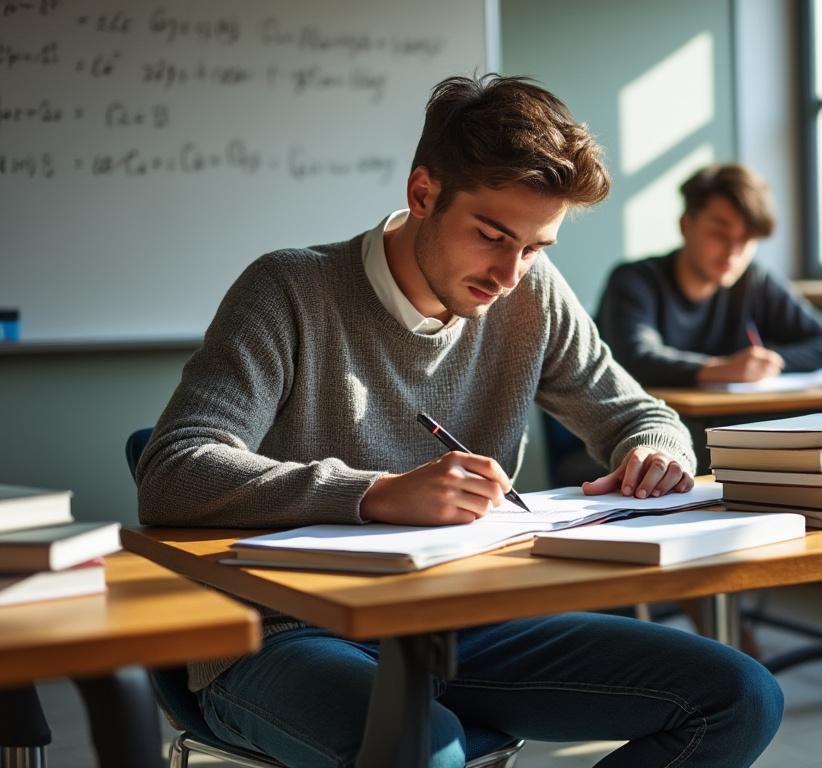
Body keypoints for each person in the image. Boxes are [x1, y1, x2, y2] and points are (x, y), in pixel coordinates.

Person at [135, 74, 783, 768]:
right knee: (423, 751)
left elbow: (638, 413)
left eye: (535, 248)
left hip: (461, 621)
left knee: (739, 697)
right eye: (492, 236)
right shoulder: (289, 290)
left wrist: (656, 450)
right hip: (287, 631)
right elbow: (172, 470)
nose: (509, 274)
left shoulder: (530, 294)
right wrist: (377, 493)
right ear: (423, 194)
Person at [597, 163, 822, 387]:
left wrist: (765, 364)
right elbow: (635, 357)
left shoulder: (755, 282)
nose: (733, 252)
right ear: (686, 225)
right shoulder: (634, 281)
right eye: (720, 234)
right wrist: (720, 369)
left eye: (746, 239)